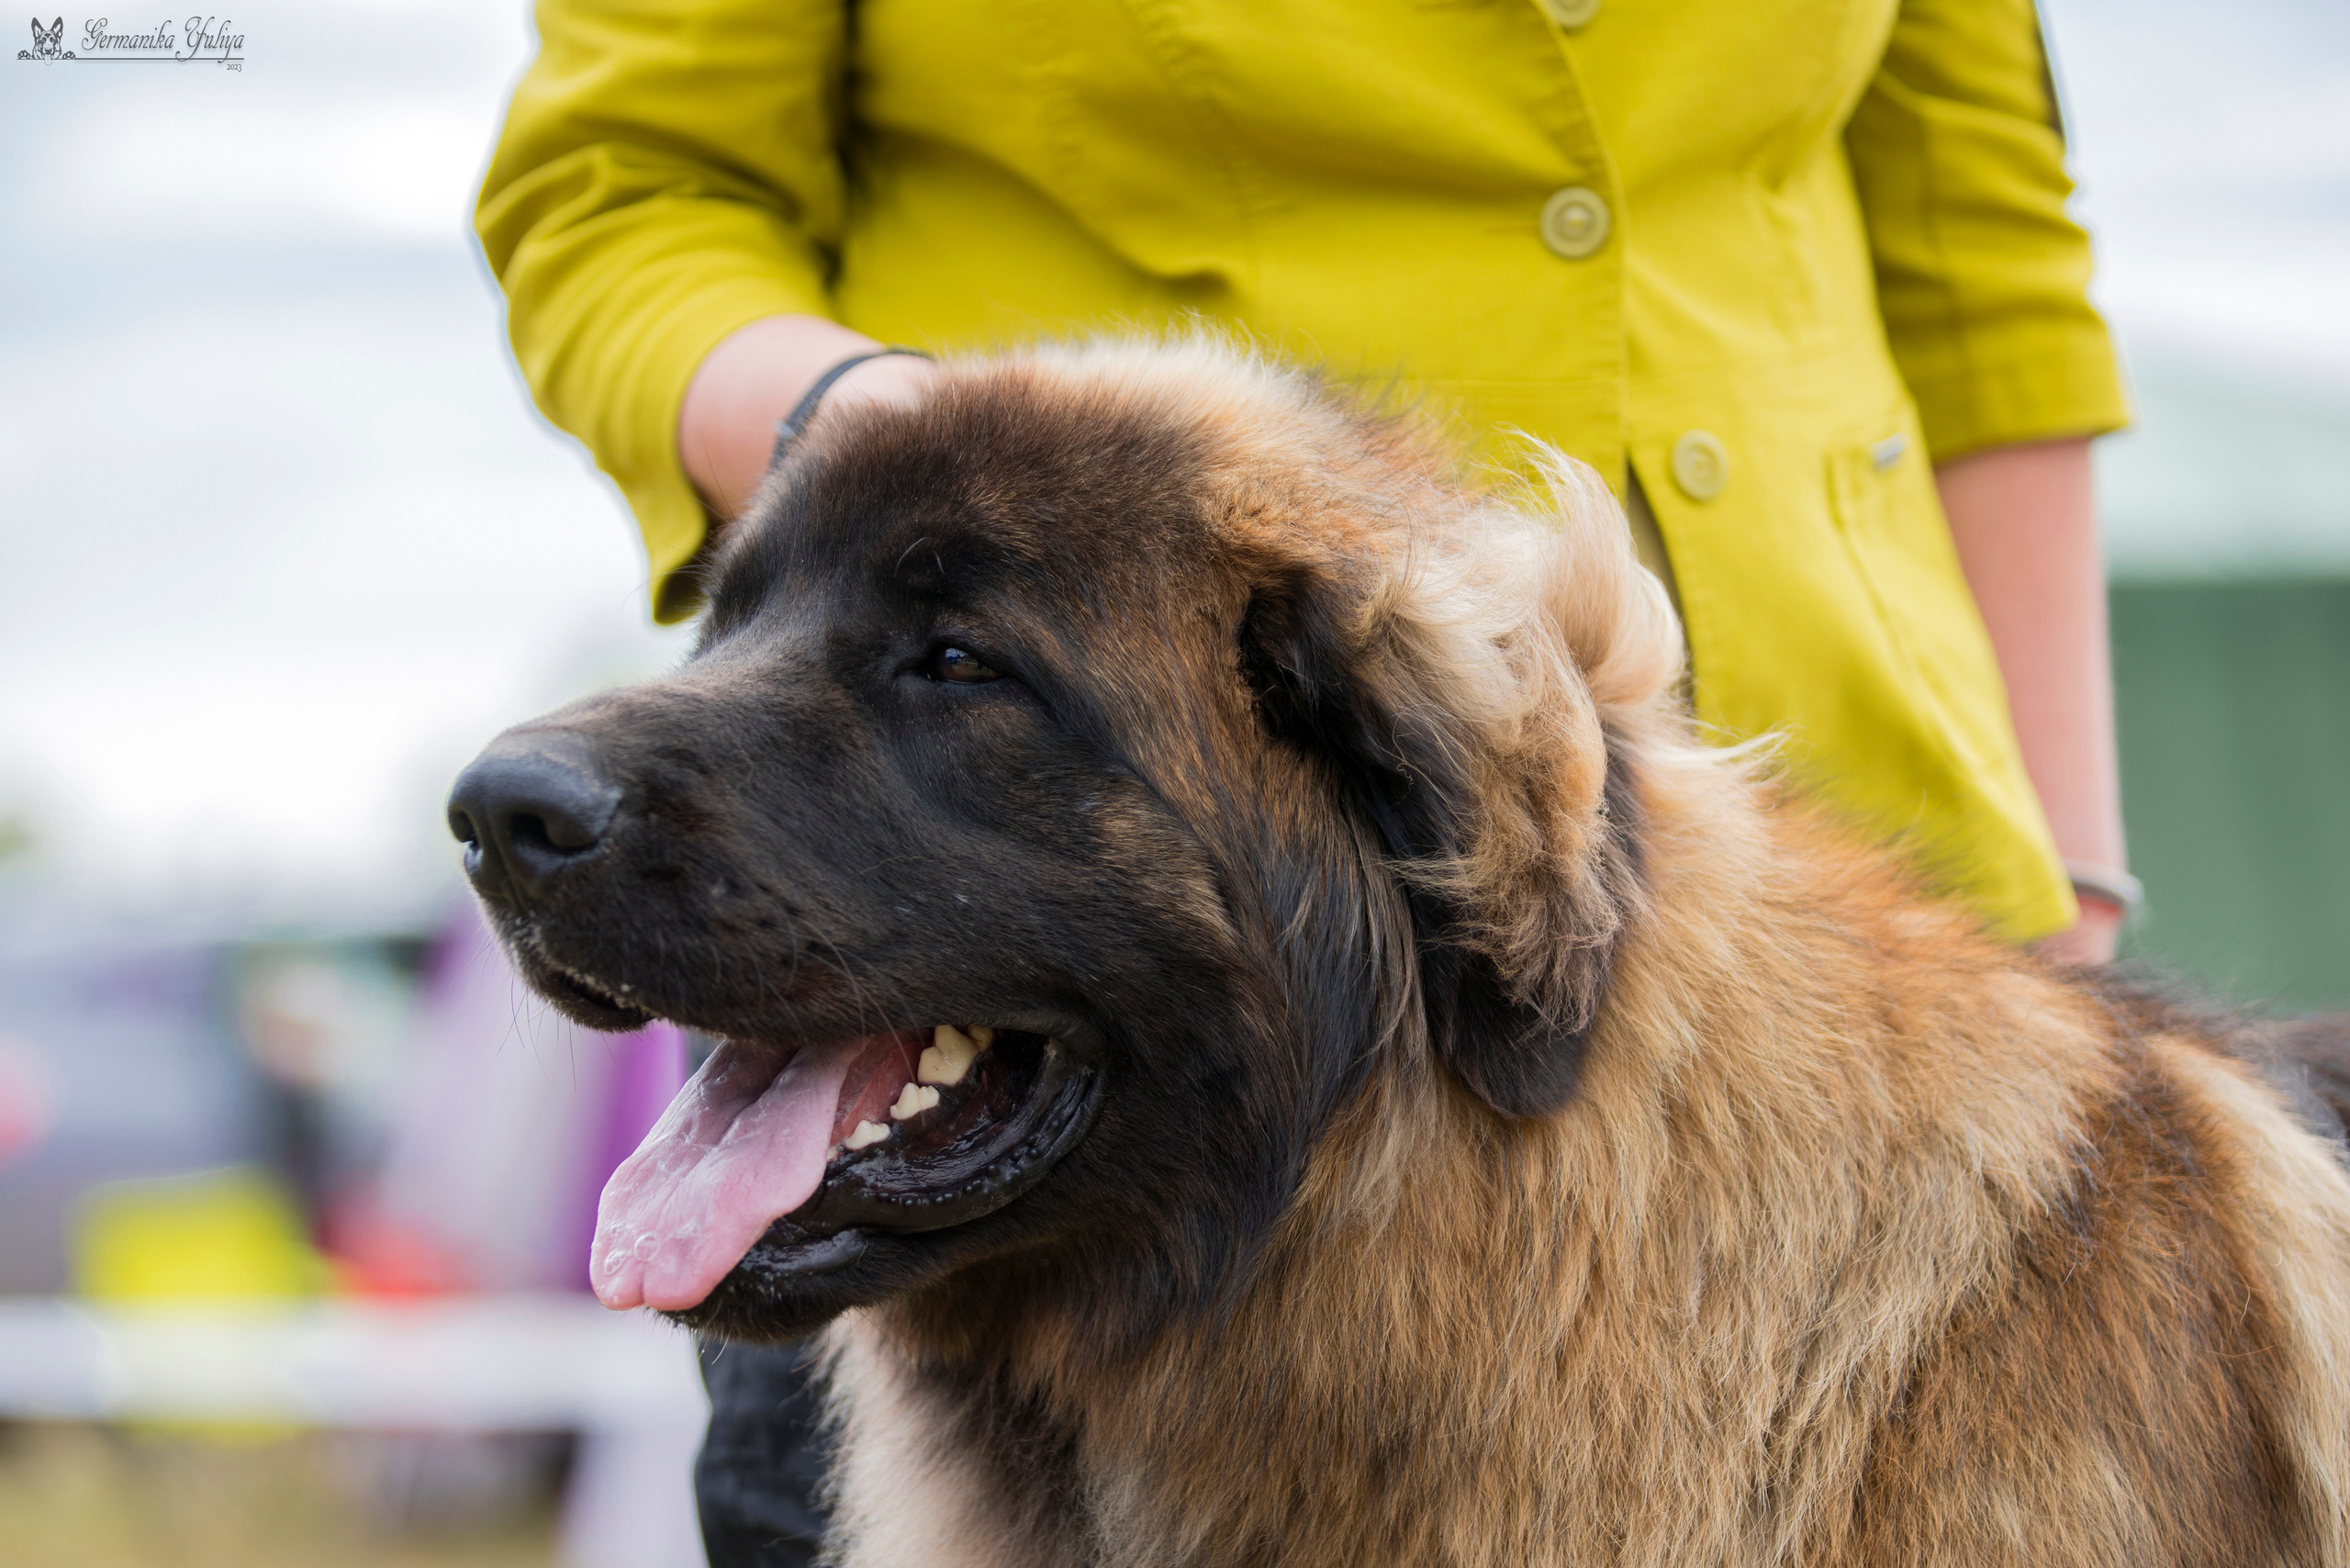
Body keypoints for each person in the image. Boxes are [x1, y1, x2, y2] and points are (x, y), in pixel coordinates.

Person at [476, 0, 2134, 1558]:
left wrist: (2067, 892)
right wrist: (871, 429)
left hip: (1836, 998)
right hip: (1068, 863)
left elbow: (1979, 268)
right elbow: (623, 187)